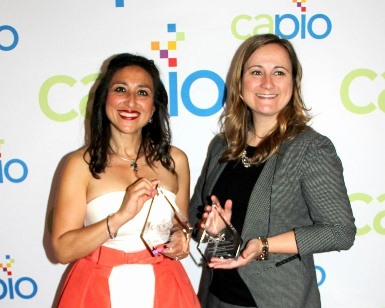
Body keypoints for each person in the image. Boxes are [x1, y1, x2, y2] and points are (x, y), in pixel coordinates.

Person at [189, 33, 356, 308]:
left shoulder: (310, 148)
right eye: (256, 72)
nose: (267, 83)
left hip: (277, 299)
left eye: (279, 72)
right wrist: (210, 229)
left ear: (293, 82)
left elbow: (340, 232)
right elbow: (197, 216)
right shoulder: (222, 146)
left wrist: (263, 245)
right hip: (215, 297)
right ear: (240, 84)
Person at [51, 53, 200, 308]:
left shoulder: (175, 160)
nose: (131, 101)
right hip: (95, 289)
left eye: (142, 92)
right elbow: (63, 250)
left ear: (153, 107)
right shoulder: (80, 164)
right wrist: (121, 216)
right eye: (121, 89)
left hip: (166, 287)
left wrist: (181, 239)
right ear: (104, 99)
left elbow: (180, 224)